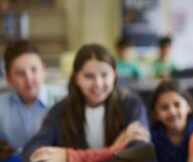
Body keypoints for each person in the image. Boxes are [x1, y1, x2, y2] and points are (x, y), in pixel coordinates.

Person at [21, 44, 150, 162]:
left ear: (114, 76)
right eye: (89, 76)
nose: (98, 84)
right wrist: (114, 150)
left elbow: (139, 155)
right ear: (76, 78)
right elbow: (33, 152)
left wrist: (69, 157)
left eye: (104, 75)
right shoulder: (60, 110)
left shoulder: (131, 105)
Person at [0, 40, 59, 161]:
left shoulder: (63, 101)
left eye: (34, 69)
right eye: (20, 73)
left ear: (44, 70)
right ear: (8, 79)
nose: (29, 78)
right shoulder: (2, 106)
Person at [149, 80, 193, 162]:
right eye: (164, 107)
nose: (172, 111)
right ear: (156, 114)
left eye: (177, 104)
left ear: (189, 106)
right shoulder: (151, 139)